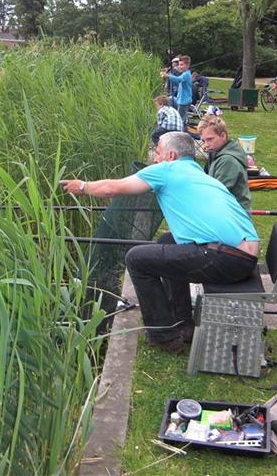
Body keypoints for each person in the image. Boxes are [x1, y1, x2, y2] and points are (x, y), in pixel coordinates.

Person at [61, 131, 259, 354]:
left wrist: (83, 186)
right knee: (167, 241)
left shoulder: (167, 170)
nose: (155, 159)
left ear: (171, 155)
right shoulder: (198, 173)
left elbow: (112, 188)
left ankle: (163, 336)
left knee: (136, 259)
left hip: (227, 260)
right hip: (244, 256)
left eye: (158, 153)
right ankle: (182, 323)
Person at [197, 116, 251, 210]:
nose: (206, 145)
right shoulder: (215, 153)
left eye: (210, 139)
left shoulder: (228, 160)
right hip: (222, 209)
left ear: (223, 136)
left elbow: (216, 193)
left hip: (233, 213)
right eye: (203, 141)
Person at [163, 55, 193, 131]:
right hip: (182, 99)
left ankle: (180, 133)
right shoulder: (185, 73)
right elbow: (178, 81)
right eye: (179, 64)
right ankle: (183, 130)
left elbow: (178, 80)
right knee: (182, 117)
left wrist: (168, 76)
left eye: (182, 65)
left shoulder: (186, 74)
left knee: (180, 120)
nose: (179, 67)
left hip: (184, 101)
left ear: (187, 65)